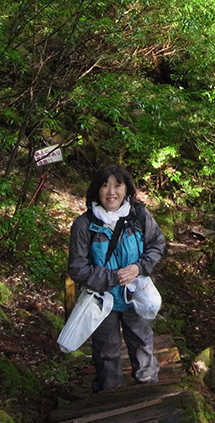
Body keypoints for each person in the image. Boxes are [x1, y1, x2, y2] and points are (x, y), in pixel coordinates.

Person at [68, 164, 166, 392]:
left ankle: (148, 389)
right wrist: (112, 277)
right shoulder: (84, 225)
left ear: (127, 190)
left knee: (142, 342)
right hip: (102, 299)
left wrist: (139, 267)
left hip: (136, 294)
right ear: (96, 190)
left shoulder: (139, 216)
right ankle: (108, 395)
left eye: (117, 185)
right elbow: (78, 268)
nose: (111, 192)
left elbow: (157, 245)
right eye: (105, 185)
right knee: (106, 350)